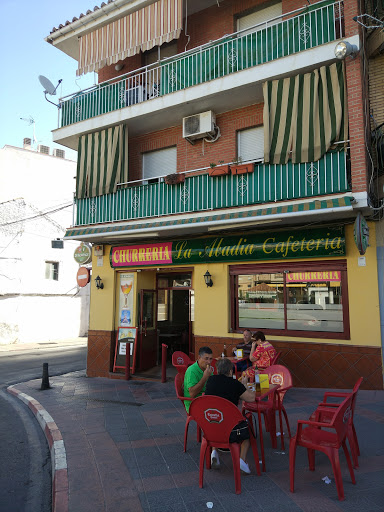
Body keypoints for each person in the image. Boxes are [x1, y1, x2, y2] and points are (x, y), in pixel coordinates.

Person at [205, 357, 256, 474]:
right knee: (248, 434)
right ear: (230, 372)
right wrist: (245, 385)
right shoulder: (235, 384)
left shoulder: (210, 381)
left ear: (217, 370)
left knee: (217, 416)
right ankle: (241, 460)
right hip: (231, 428)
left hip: (210, 426)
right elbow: (251, 398)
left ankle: (214, 451)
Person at [183, 346, 213, 413]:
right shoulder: (192, 370)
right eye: (206, 358)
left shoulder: (207, 369)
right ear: (199, 357)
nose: (209, 362)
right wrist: (205, 377)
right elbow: (192, 393)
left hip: (205, 399)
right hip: (193, 404)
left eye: (211, 359)